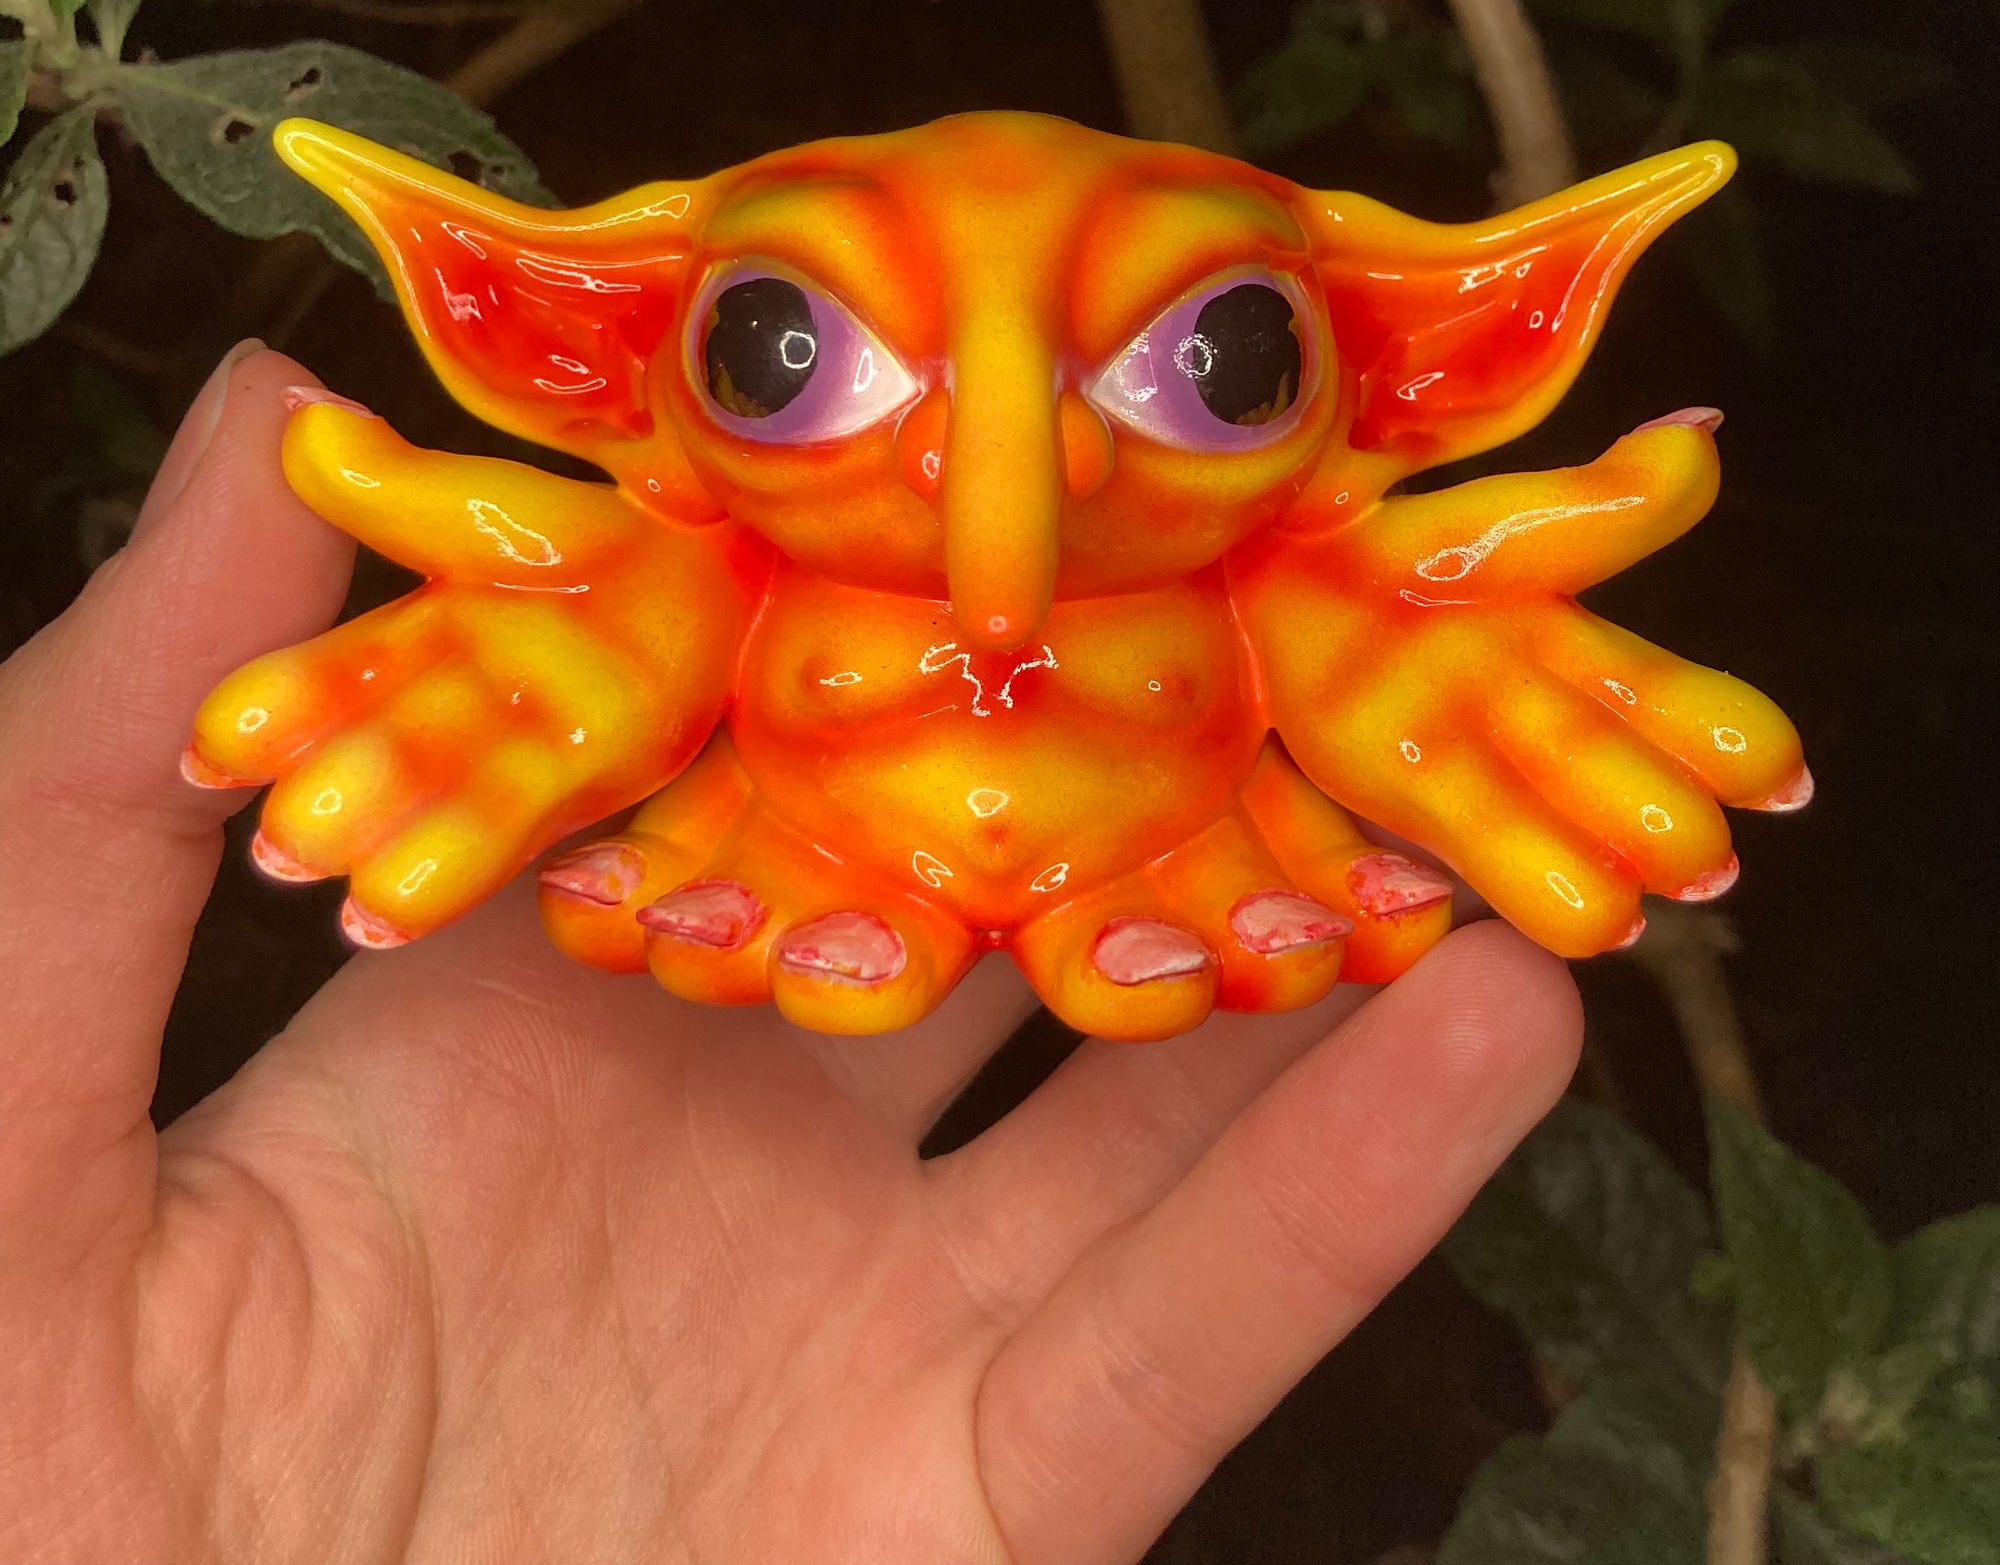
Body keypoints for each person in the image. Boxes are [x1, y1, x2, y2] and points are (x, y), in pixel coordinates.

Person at [0, 343, 1582, 1562]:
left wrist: (1400, 632)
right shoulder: (691, 569)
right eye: (787, 352)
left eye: (1218, 364)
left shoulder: (1276, 594)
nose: (1000, 525)